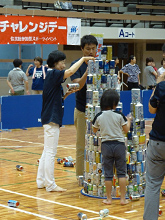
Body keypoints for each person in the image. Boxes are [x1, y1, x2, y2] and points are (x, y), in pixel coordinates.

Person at [36, 50, 95, 192]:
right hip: (51, 118)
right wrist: (83, 59)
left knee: (46, 151)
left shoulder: (52, 77)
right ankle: (50, 184)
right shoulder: (53, 73)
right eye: (62, 62)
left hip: (49, 117)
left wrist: (67, 94)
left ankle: (41, 181)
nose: (63, 64)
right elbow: (69, 72)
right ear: (55, 63)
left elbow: (56, 100)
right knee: (51, 152)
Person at [92, 89, 131, 205]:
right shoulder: (119, 115)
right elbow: (126, 130)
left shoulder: (99, 116)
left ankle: (109, 199)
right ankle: (123, 199)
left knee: (108, 174)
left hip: (106, 146)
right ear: (115, 103)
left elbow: (94, 130)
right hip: (119, 145)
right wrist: (128, 120)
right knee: (121, 173)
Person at [70, 35, 98, 178]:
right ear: (82, 49)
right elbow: (77, 86)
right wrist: (88, 71)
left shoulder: (101, 63)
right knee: (81, 145)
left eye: (93, 48)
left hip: (99, 112)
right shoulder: (76, 65)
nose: (91, 52)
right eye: (88, 49)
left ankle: (98, 174)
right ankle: (80, 175)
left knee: (100, 145)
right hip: (82, 110)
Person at [143, 73, 165, 220]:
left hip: (158, 142)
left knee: (152, 185)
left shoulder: (161, 87)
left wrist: (157, 84)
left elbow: (151, 110)